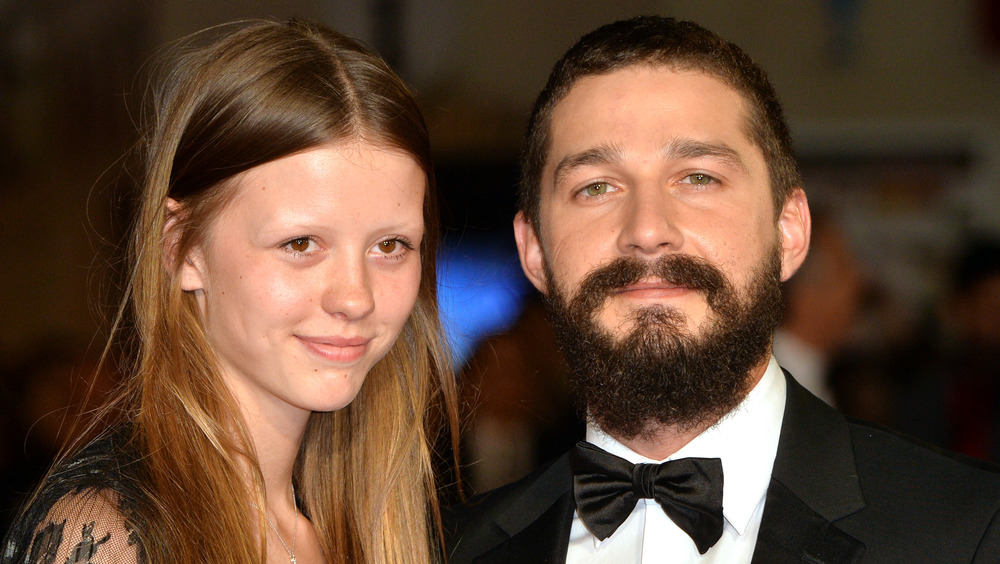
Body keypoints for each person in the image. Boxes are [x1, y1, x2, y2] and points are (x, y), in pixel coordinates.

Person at [445, 15, 1000, 563]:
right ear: (534, 252)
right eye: (596, 187)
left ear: (789, 231)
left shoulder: (971, 528)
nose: (647, 230)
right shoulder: (448, 549)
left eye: (698, 178)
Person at [3, 19, 459, 564]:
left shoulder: (359, 528)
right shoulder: (113, 535)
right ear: (182, 250)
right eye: (300, 243)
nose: (355, 297)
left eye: (390, 246)